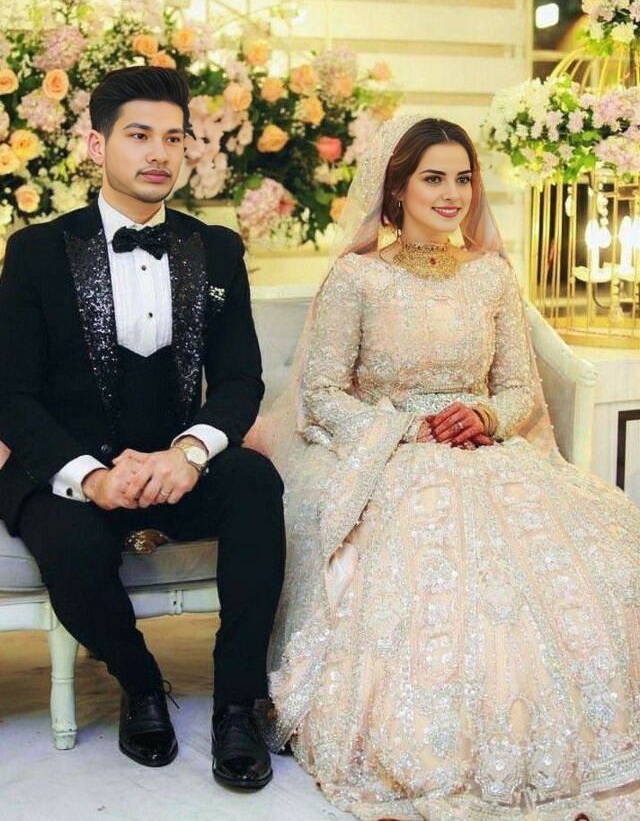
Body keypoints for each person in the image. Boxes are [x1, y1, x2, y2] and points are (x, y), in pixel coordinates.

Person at [255, 115, 640, 820]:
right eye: (433, 178)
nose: (452, 194)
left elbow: (518, 388)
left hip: (487, 449)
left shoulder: (491, 275)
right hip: (397, 451)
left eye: (462, 178)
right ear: (396, 189)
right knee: (435, 571)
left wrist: (486, 416)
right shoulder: (358, 277)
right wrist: (404, 429)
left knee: (597, 562)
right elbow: (324, 392)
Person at [0, 66, 284, 790]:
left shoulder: (216, 248)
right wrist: (90, 477)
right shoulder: (36, 251)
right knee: (66, 539)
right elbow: (13, 394)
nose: (159, 152)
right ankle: (141, 683)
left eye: (174, 137)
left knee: (255, 483)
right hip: (68, 467)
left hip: (176, 465)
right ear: (98, 145)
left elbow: (240, 381)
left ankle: (237, 703)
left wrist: (189, 453)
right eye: (138, 135)